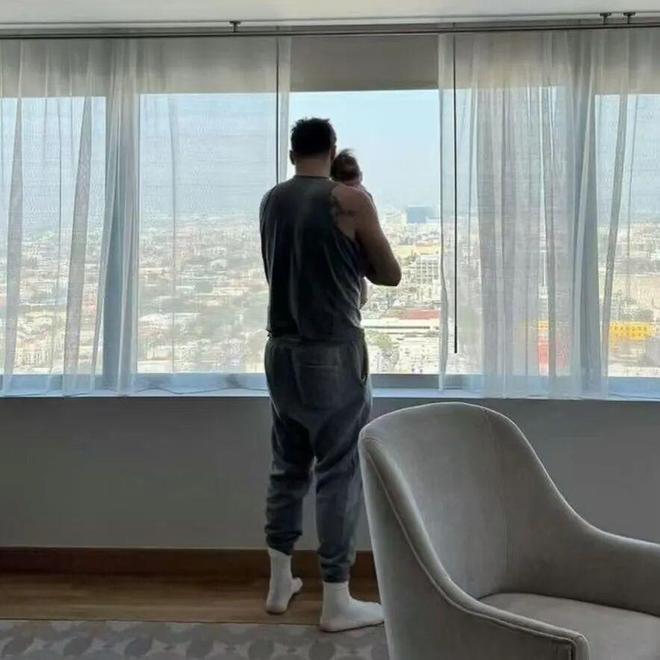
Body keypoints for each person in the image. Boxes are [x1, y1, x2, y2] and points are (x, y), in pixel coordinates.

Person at [260, 118, 401, 632]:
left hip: (281, 351)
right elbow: (389, 274)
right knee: (338, 472)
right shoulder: (348, 200)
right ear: (332, 149)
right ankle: (337, 599)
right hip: (332, 354)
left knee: (287, 466)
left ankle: (280, 583)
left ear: (292, 153)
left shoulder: (272, 200)